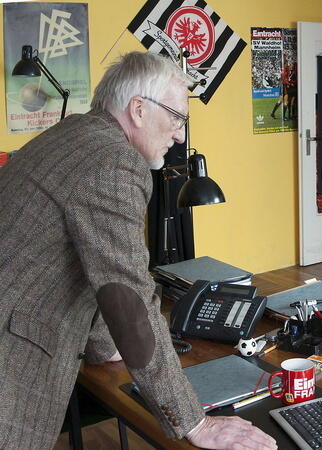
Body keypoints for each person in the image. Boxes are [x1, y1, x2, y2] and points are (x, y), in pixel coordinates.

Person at [0, 52, 276, 450]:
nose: (179, 135)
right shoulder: (113, 162)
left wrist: (102, 344)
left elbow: (93, 258)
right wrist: (196, 422)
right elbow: (126, 292)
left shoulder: (76, 133)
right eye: (177, 117)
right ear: (139, 110)